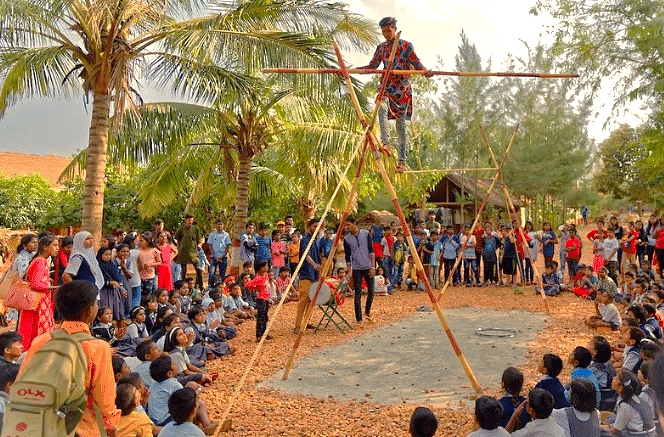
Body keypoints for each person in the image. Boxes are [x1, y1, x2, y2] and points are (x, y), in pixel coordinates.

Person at [20, 280, 121, 436]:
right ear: (89, 311)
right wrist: (111, 428)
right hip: (81, 429)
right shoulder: (98, 347)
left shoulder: (41, 341)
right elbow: (104, 399)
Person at [360, 16, 431, 173]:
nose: (386, 34)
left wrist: (425, 72)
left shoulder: (406, 46)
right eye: (383, 31)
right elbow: (373, 65)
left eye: (388, 30)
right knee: (381, 107)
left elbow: (417, 64)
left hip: (402, 89)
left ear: (394, 28)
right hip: (387, 86)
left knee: (401, 126)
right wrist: (358, 69)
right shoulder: (382, 48)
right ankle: (386, 143)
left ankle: (401, 161)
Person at [18, 235, 59, 350]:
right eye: (55, 245)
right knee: (36, 334)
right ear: (45, 247)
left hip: (36, 302)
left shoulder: (39, 260)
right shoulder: (41, 261)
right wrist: (52, 287)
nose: (57, 248)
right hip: (38, 303)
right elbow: (36, 285)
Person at [602, 369, 656, 437]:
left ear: (620, 388)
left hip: (639, 435)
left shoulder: (625, 406)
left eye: (616, 378)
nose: (613, 378)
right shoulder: (636, 398)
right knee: (611, 419)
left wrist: (602, 428)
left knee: (604, 433)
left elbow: (616, 430)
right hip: (648, 433)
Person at [344, 217, 375, 324]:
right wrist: (349, 270)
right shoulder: (347, 239)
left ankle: (367, 311)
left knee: (371, 291)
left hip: (368, 266)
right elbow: (347, 257)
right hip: (356, 268)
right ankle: (359, 319)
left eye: (348, 224)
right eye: (346, 225)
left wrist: (373, 267)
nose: (346, 227)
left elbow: (371, 251)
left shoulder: (366, 234)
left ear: (354, 223)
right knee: (357, 294)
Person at [294, 218, 323, 333]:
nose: (316, 229)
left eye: (318, 226)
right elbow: (306, 256)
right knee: (304, 300)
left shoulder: (315, 241)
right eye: (314, 226)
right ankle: (297, 326)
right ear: (309, 227)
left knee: (312, 299)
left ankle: (306, 322)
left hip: (314, 274)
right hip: (306, 273)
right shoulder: (306, 239)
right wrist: (315, 265)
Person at [174, 214, 205, 290]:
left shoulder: (196, 229)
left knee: (198, 269)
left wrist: (199, 245)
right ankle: (183, 286)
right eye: (188, 220)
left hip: (193, 252)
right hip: (183, 252)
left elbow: (199, 239)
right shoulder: (181, 229)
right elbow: (177, 239)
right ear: (185, 220)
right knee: (183, 271)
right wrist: (178, 248)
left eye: (191, 220)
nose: (190, 222)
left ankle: (200, 286)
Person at [207, 219, 231, 284]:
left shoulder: (226, 235)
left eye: (221, 224)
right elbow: (210, 245)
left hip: (223, 257)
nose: (219, 226)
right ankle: (210, 286)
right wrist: (214, 256)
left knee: (222, 273)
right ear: (216, 225)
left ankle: (221, 286)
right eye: (218, 224)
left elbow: (228, 246)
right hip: (213, 257)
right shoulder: (212, 234)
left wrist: (222, 256)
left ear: (223, 225)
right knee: (211, 272)